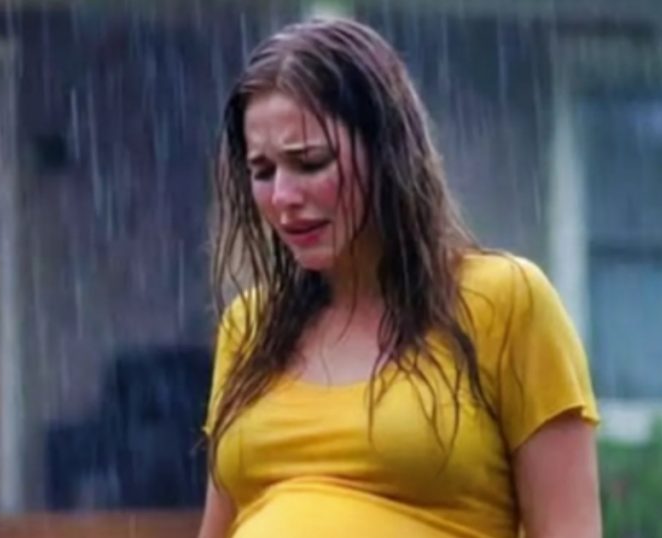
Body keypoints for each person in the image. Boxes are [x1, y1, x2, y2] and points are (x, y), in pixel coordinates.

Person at [198, 17, 601, 538]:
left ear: (387, 152)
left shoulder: (504, 302)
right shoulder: (249, 327)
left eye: (310, 162)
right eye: (263, 171)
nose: (283, 197)